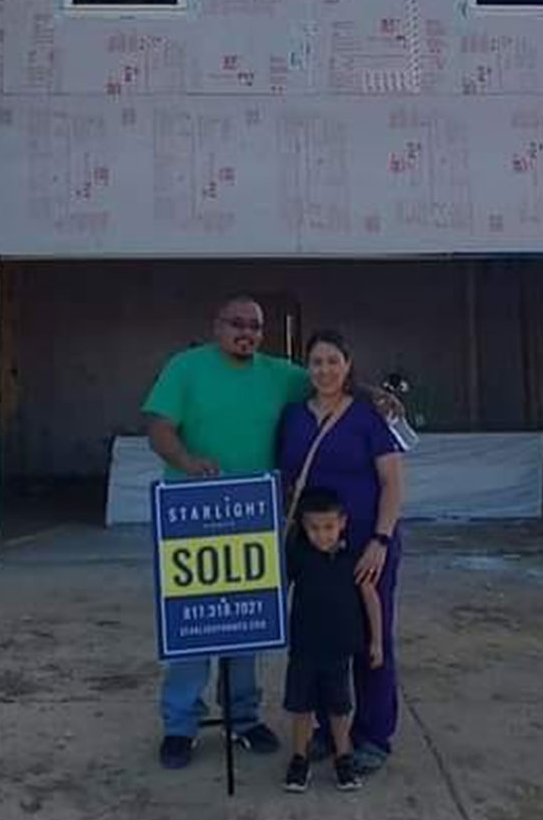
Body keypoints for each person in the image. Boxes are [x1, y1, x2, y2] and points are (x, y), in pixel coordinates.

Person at [143, 295, 309, 769]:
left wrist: (375, 396)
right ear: (217, 326)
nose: (246, 333)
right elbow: (159, 427)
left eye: (255, 326)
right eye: (237, 323)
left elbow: (330, 380)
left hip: (254, 516)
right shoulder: (186, 368)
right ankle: (180, 724)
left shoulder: (279, 374)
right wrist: (187, 461)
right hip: (192, 516)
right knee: (191, 623)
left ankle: (243, 716)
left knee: (246, 622)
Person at [277, 330, 404, 774]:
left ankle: (373, 734)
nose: (325, 370)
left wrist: (381, 540)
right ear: (306, 368)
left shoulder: (369, 416)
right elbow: (284, 479)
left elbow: (392, 483)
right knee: (318, 638)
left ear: (348, 365)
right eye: (317, 362)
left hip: (366, 542)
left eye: (333, 361)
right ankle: (327, 732)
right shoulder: (293, 417)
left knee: (371, 638)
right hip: (313, 548)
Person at [283, 487, 383, 793]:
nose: (322, 535)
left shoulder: (354, 559)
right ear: (303, 526)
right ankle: (299, 760)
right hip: (303, 647)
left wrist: (376, 641)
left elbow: (371, 598)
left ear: (342, 523)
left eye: (328, 527)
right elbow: (276, 587)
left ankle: (344, 759)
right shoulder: (297, 556)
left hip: (340, 649)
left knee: (339, 708)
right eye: (314, 528)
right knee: (301, 707)